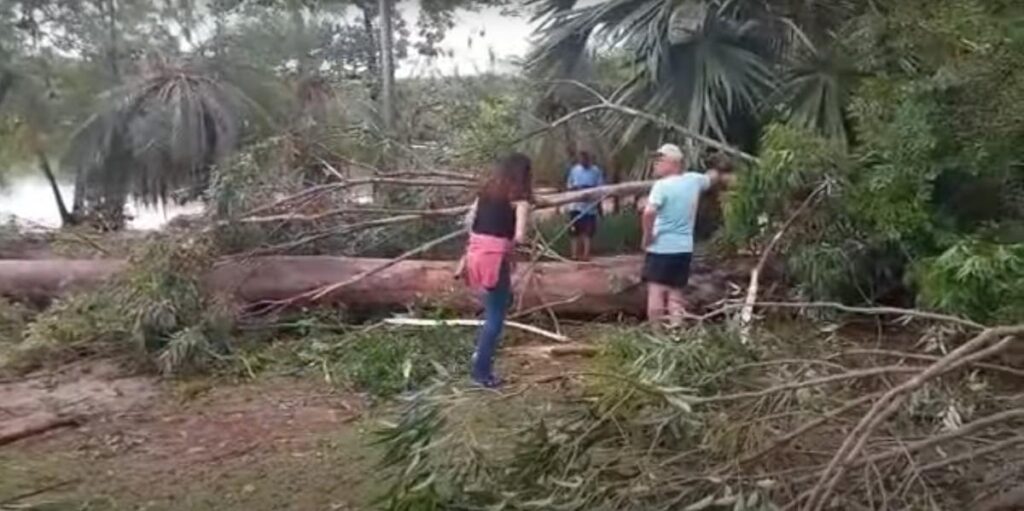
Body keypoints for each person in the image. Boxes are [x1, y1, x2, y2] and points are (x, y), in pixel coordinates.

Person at [458, 153, 532, 388]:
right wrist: (525, 242)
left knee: (494, 305)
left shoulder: (485, 194)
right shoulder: (520, 201)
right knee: (496, 317)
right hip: (495, 259)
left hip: (476, 255)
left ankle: (479, 355)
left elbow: (471, 223)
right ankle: (481, 372)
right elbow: (520, 237)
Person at [641, 144, 733, 327]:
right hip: (683, 248)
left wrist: (647, 237)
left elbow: (648, 213)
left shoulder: (661, 186)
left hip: (661, 247)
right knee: (676, 293)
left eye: (660, 160)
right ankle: (676, 332)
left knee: (656, 291)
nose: (656, 164)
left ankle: (656, 334)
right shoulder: (693, 180)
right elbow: (712, 178)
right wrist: (720, 166)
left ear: (674, 163)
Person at [565, 150, 605, 261]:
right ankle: (574, 255)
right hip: (575, 206)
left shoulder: (596, 171)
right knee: (574, 232)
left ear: (589, 159)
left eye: (585, 159)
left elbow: (600, 188)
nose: (583, 161)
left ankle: (586, 255)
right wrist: (577, 189)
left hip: (589, 208)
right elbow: (569, 185)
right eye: (581, 159)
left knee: (587, 233)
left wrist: (590, 191)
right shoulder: (574, 170)